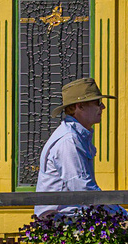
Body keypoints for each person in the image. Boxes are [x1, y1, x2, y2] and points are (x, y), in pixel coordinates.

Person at [34, 77, 123, 219]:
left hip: (73, 219)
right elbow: (82, 188)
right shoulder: (69, 141)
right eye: (97, 102)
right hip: (61, 223)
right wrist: (120, 214)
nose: (103, 107)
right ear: (80, 106)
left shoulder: (75, 136)